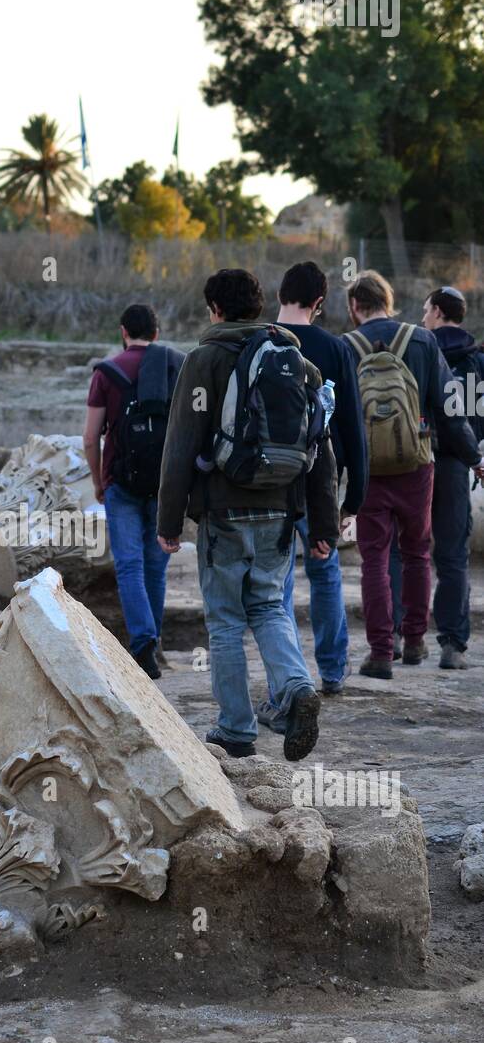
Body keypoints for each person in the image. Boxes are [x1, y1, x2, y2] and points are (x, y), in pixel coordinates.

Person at [157, 268, 339, 761]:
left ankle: (236, 728)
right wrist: (324, 525)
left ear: (213, 309)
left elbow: (181, 446)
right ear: (259, 307)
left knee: (224, 624)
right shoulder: (295, 361)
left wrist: (168, 523)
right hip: (282, 511)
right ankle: (297, 686)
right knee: (268, 608)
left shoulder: (204, 361)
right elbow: (321, 448)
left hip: (222, 512)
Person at [344, 271, 483, 679]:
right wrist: (473, 454)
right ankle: (423, 641)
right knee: (421, 551)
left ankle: (382, 651)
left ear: (354, 306)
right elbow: (451, 408)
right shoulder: (421, 340)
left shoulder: (345, 346)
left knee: (376, 558)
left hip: (369, 467)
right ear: (389, 299)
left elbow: (334, 415)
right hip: (418, 461)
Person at [257, 262, 367, 733]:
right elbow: (351, 426)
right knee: (324, 573)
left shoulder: (259, 340)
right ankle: (333, 672)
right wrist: (355, 494)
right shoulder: (336, 348)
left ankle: (287, 679)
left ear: (280, 294)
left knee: (275, 583)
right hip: (323, 481)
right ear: (320, 303)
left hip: (270, 480)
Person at [83, 303, 184, 678]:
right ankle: (152, 643)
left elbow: (91, 437)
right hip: (165, 483)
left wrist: (98, 481)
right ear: (156, 334)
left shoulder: (106, 372)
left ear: (123, 332)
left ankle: (142, 643)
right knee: (156, 565)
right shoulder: (178, 364)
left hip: (121, 482)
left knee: (129, 565)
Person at [422, 286, 484, 668]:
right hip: (458, 463)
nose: (424, 316)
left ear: (440, 313)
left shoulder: (420, 350)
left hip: (414, 461)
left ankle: (396, 637)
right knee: (453, 555)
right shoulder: (478, 359)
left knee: (404, 552)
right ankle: (452, 644)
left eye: (428, 310)